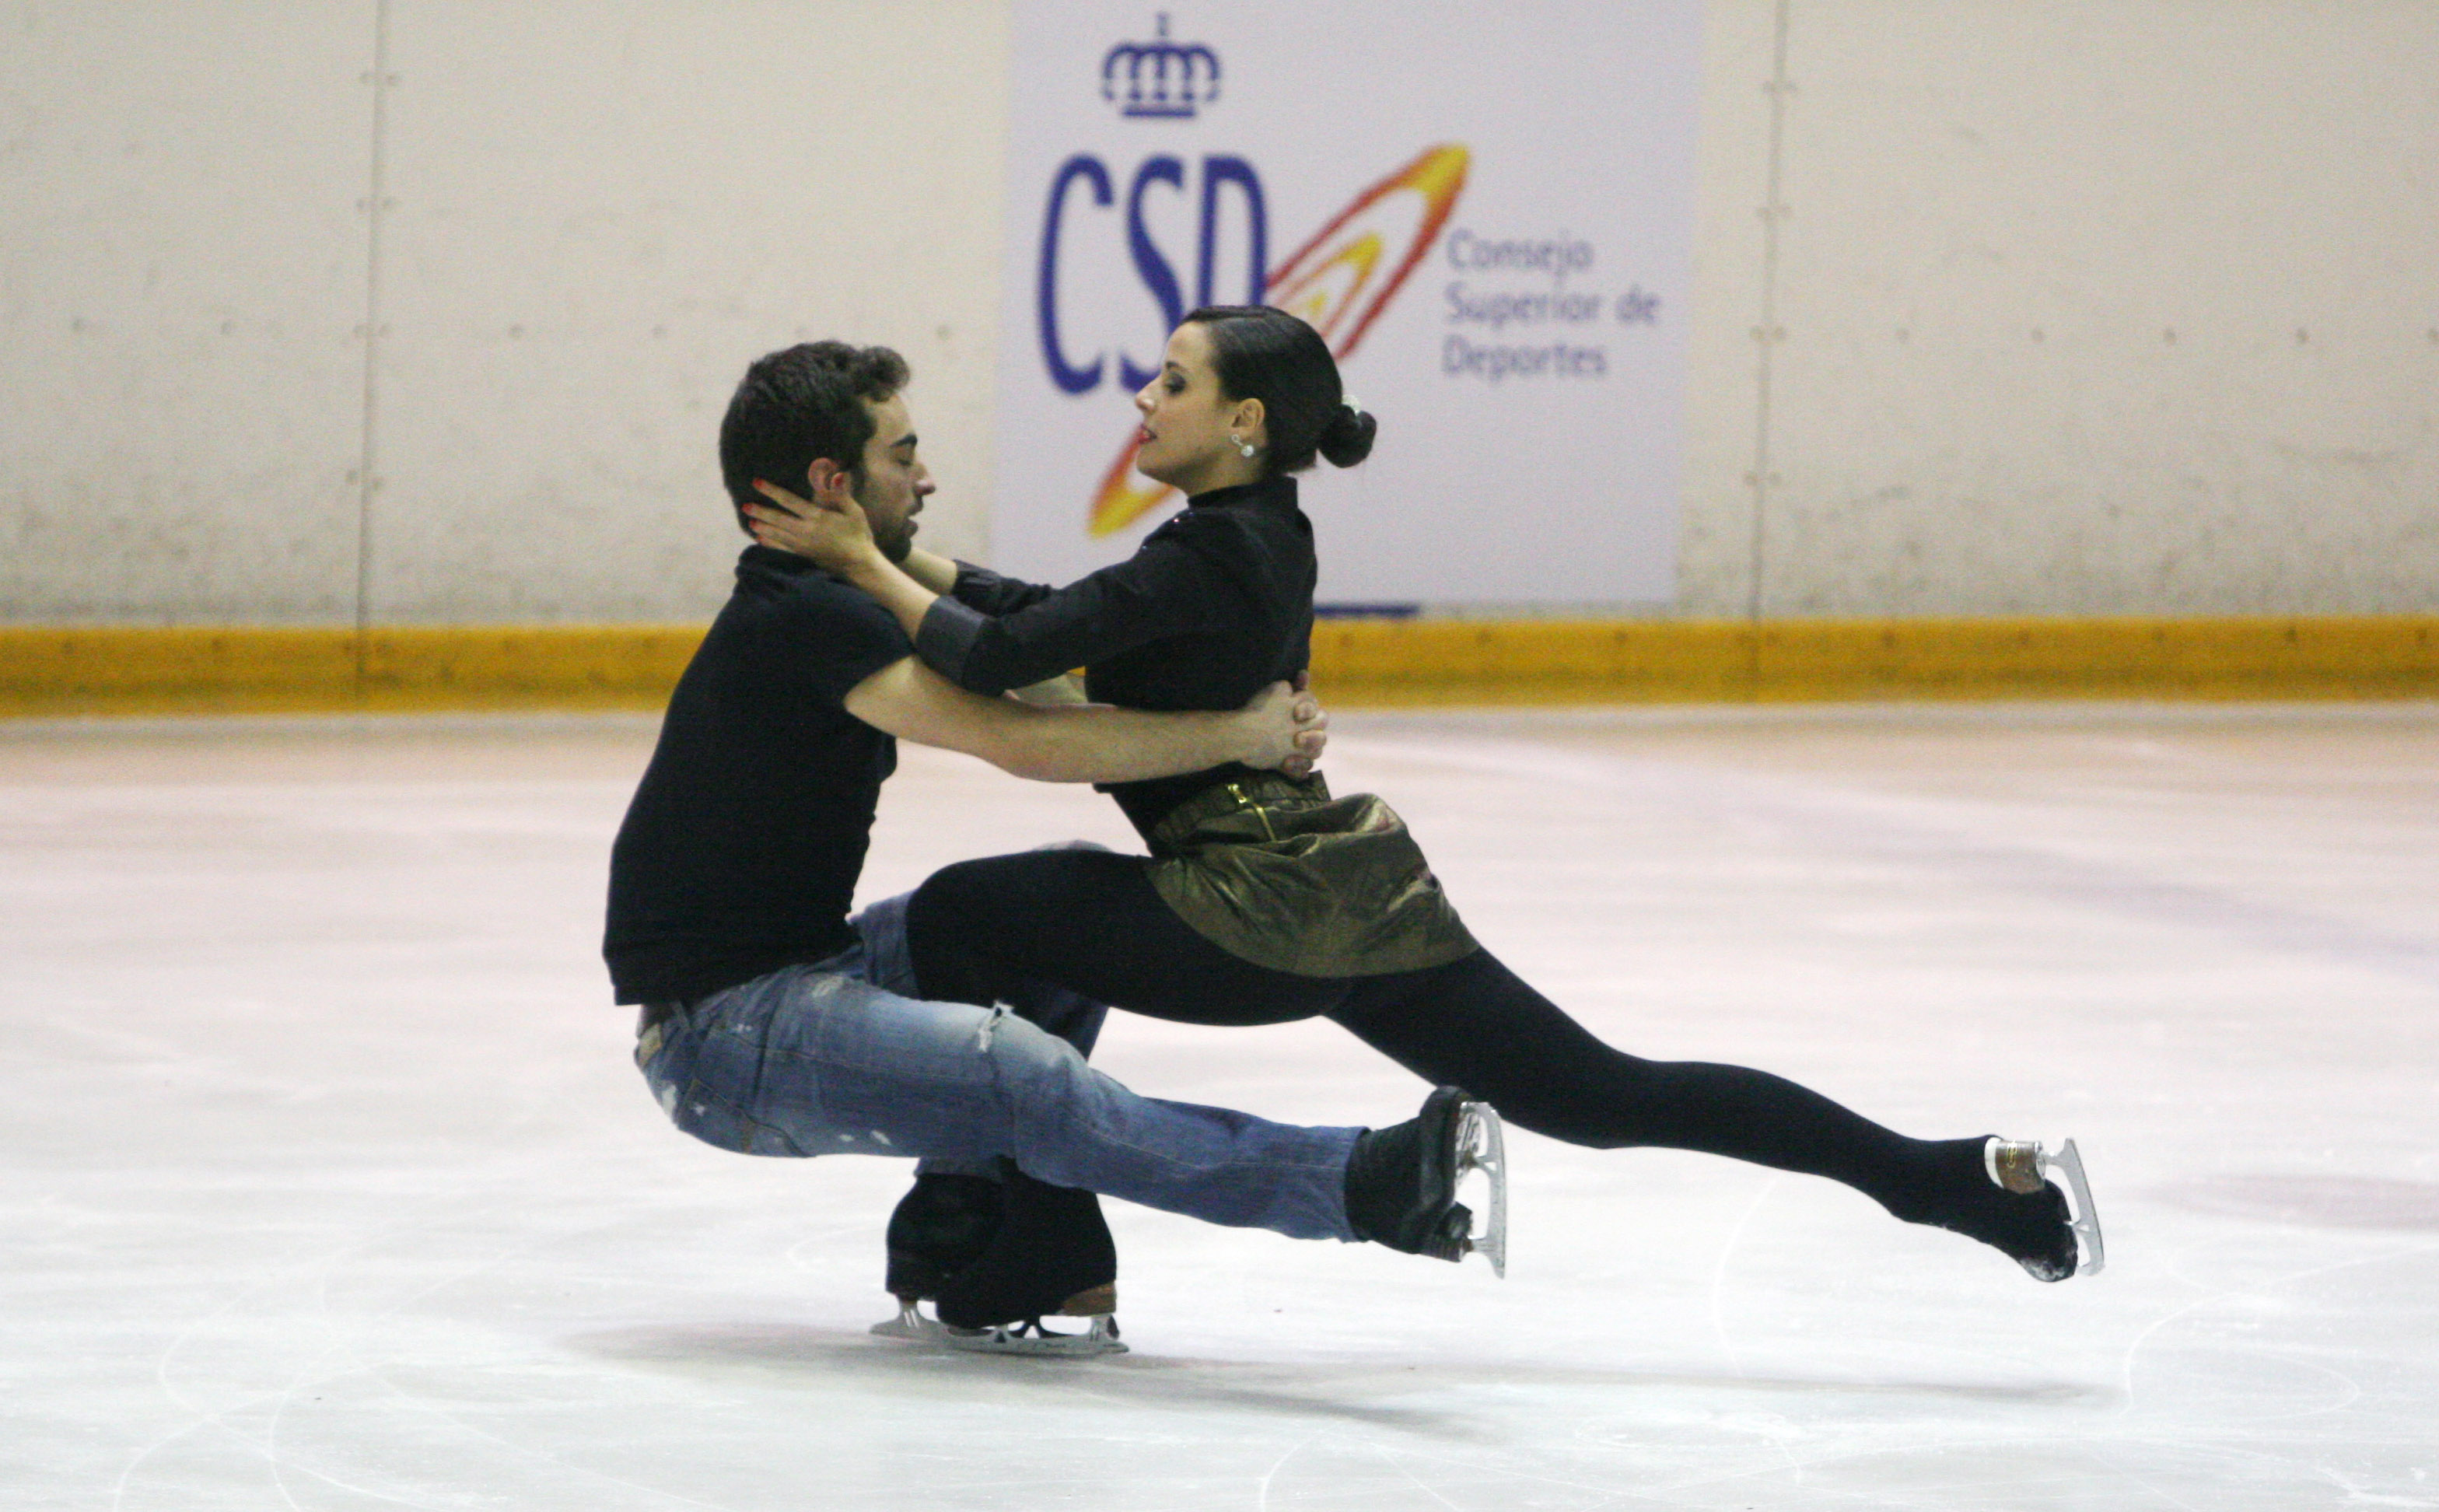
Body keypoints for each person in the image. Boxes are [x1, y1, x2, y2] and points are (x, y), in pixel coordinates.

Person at [742, 306, 2105, 1287]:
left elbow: (996, 655)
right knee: (1606, 1094)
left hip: (1245, 904)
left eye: (1173, 383)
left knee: (970, 915)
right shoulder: (1242, 536)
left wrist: (861, 561)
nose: (1143, 400)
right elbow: (1046, 613)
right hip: (1339, 884)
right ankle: (1950, 1181)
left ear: (1244, 422)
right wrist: (905, 562)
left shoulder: (1208, 555)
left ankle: (1014, 1242)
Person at [606, 339, 1510, 1357]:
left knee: (1037, 921)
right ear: (833, 483)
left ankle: (960, 1226)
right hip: (724, 1037)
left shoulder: (842, 595)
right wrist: (1239, 737)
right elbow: (1023, 742)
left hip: (810, 971)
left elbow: (1042, 676)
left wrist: (1239, 729)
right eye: (902, 455)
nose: (926, 476)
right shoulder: (804, 617)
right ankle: (1357, 1185)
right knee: (1018, 1074)